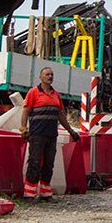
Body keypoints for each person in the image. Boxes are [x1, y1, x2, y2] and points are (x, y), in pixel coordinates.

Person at [19, 66, 80, 200]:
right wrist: (23, 128)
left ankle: (46, 193)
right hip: (37, 134)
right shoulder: (33, 93)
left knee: (48, 164)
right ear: (40, 77)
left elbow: (60, 115)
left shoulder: (55, 94)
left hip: (51, 134)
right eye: (47, 74)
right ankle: (29, 193)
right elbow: (25, 111)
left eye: (51, 75)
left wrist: (70, 130)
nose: (50, 77)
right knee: (34, 162)